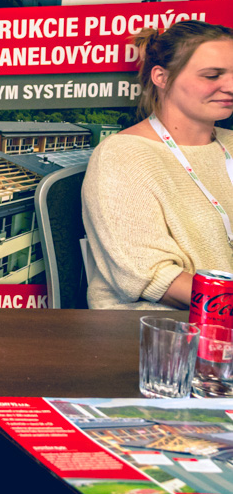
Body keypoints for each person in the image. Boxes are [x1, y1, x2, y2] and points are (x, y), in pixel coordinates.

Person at [83, 20, 233, 309]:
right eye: (212, 75)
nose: (230, 86)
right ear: (161, 77)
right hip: (158, 327)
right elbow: (153, 277)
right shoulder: (121, 156)